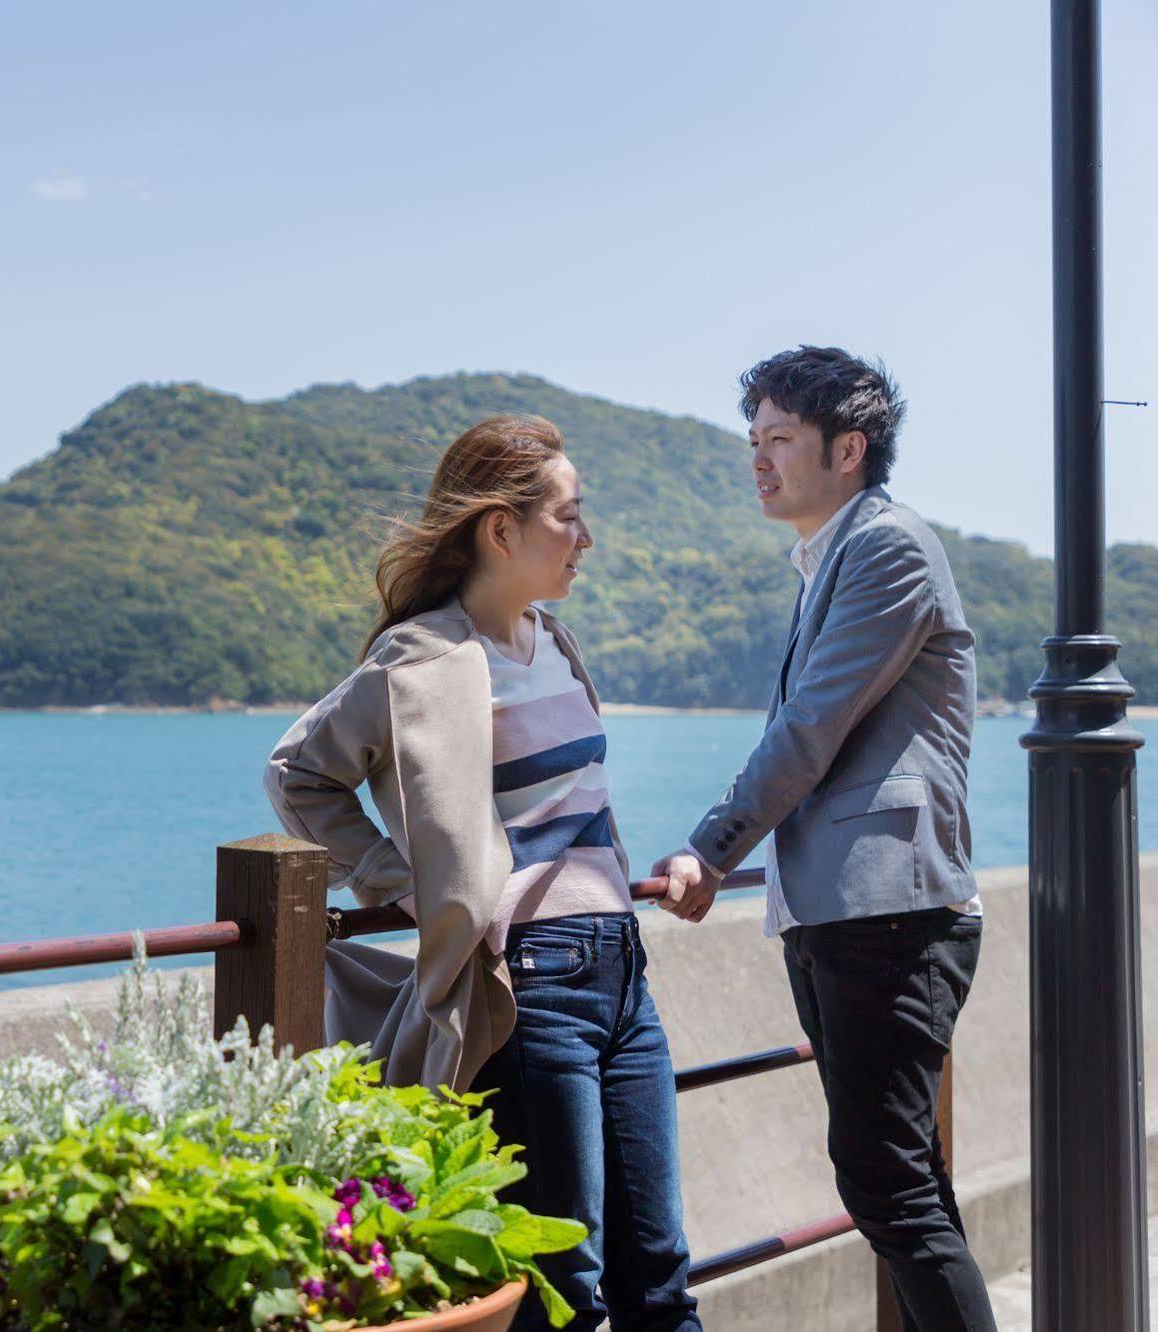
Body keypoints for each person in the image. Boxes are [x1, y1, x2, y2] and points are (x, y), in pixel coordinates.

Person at [264, 414, 699, 1332]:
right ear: (501, 530)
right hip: (529, 986)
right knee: (563, 1277)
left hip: (623, 973)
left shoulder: (555, 641)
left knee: (657, 1273)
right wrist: (398, 878)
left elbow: (584, 808)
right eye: (568, 517)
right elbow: (297, 774)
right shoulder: (421, 658)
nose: (586, 538)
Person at [654, 346, 991, 1330]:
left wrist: (711, 845)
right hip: (854, 912)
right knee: (902, 1186)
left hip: (891, 914)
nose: (757, 460)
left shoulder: (886, 547)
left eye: (780, 439)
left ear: (850, 447)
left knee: (889, 1189)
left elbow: (809, 727)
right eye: (751, 440)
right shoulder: (834, 554)